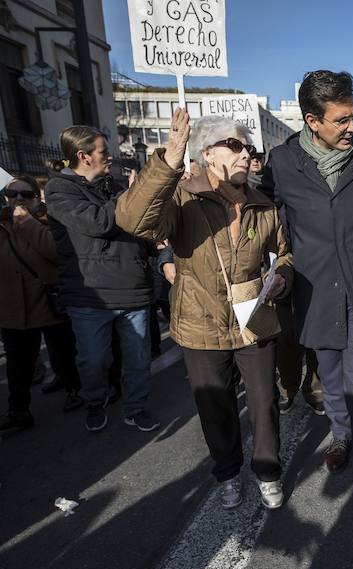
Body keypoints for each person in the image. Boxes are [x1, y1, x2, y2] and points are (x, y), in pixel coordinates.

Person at [116, 111, 294, 510]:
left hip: (254, 319)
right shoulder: (181, 195)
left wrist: (282, 277)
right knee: (216, 407)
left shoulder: (263, 203)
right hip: (200, 322)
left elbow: (283, 255)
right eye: (234, 145)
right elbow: (133, 221)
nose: (246, 154)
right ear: (206, 154)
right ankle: (228, 472)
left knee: (264, 403)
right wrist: (169, 157)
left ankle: (268, 472)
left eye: (247, 147)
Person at [259, 70, 353, 508]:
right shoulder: (282, 163)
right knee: (331, 380)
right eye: (341, 120)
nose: (351, 128)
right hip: (315, 293)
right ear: (312, 120)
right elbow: (256, 214)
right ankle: (341, 436)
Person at [45, 127, 160, 433]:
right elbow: (100, 222)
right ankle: (95, 400)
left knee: (138, 359)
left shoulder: (114, 185)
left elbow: (134, 228)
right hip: (91, 296)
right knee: (94, 360)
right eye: (102, 151)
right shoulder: (59, 190)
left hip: (133, 289)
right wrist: (132, 196)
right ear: (83, 156)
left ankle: (136, 407)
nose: (110, 156)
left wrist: (151, 244)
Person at [0, 175, 82, 434]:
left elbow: (55, 253)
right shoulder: (1, 225)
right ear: (5, 198)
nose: (19, 199)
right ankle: (18, 411)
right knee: (17, 365)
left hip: (48, 304)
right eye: (14, 195)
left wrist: (25, 222)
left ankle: (73, 389)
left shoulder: (50, 220)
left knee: (63, 353)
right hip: (13, 309)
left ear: (37, 198)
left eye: (27, 194)